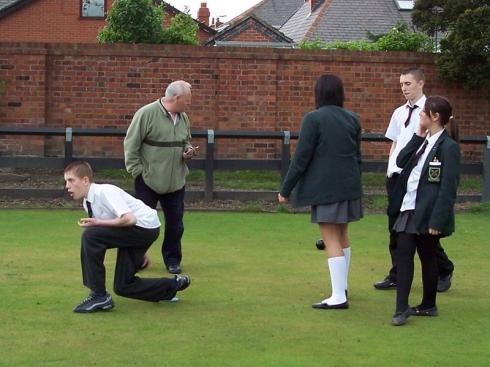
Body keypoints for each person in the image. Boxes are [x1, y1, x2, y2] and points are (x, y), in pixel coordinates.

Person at [278, 74, 363, 309]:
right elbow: (358, 157)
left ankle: (338, 296)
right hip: (350, 186)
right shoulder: (353, 118)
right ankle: (342, 288)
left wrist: (285, 189)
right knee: (343, 236)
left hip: (327, 188)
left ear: (318, 93)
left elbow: (301, 157)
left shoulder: (313, 119)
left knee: (331, 238)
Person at [64, 161, 191, 313]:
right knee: (123, 286)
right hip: (139, 231)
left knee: (90, 236)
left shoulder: (104, 192)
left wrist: (98, 222)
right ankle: (172, 286)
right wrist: (140, 251)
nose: (67, 186)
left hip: (143, 227)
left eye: (71, 180)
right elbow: (114, 231)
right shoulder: (88, 202)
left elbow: (129, 219)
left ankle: (99, 296)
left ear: (85, 180)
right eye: (66, 181)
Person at [374, 68, 454, 292]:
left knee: (421, 230)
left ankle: (444, 268)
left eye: (408, 83)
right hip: (397, 177)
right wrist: (391, 168)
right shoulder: (399, 112)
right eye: (401, 84)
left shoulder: (432, 111)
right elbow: (395, 142)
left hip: (419, 179)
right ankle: (397, 272)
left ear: (420, 83)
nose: (404, 88)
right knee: (396, 229)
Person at [388, 96, 460, 326]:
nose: (420, 115)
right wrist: (418, 135)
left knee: (428, 257)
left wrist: (437, 220)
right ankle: (401, 309)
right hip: (408, 208)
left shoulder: (448, 147)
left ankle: (429, 304)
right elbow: (400, 160)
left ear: (435, 117)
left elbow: (448, 188)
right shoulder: (424, 140)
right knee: (404, 254)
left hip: (428, 212)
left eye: (423, 113)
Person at [124, 80, 197, 275]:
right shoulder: (146, 114)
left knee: (176, 224)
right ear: (176, 98)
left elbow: (185, 141)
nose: (190, 104)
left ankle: (172, 260)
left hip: (176, 181)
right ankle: (136, 258)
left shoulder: (183, 118)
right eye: (188, 100)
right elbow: (131, 145)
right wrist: (138, 172)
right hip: (148, 180)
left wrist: (188, 150)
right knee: (141, 223)